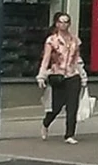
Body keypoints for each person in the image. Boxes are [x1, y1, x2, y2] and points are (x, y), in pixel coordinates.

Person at [37, 11, 86, 144]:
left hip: (73, 75)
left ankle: (69, 135)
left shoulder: (75, 40)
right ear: (56, 24)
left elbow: (77, 59)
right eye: (61, 22)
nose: (63, 25)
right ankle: (46, 123)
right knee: (56, 106)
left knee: (72, 106)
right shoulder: (52, 40)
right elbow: (46, 59)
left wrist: (83, 75)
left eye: (66, 22)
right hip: (58, 75)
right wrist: (41, 76)